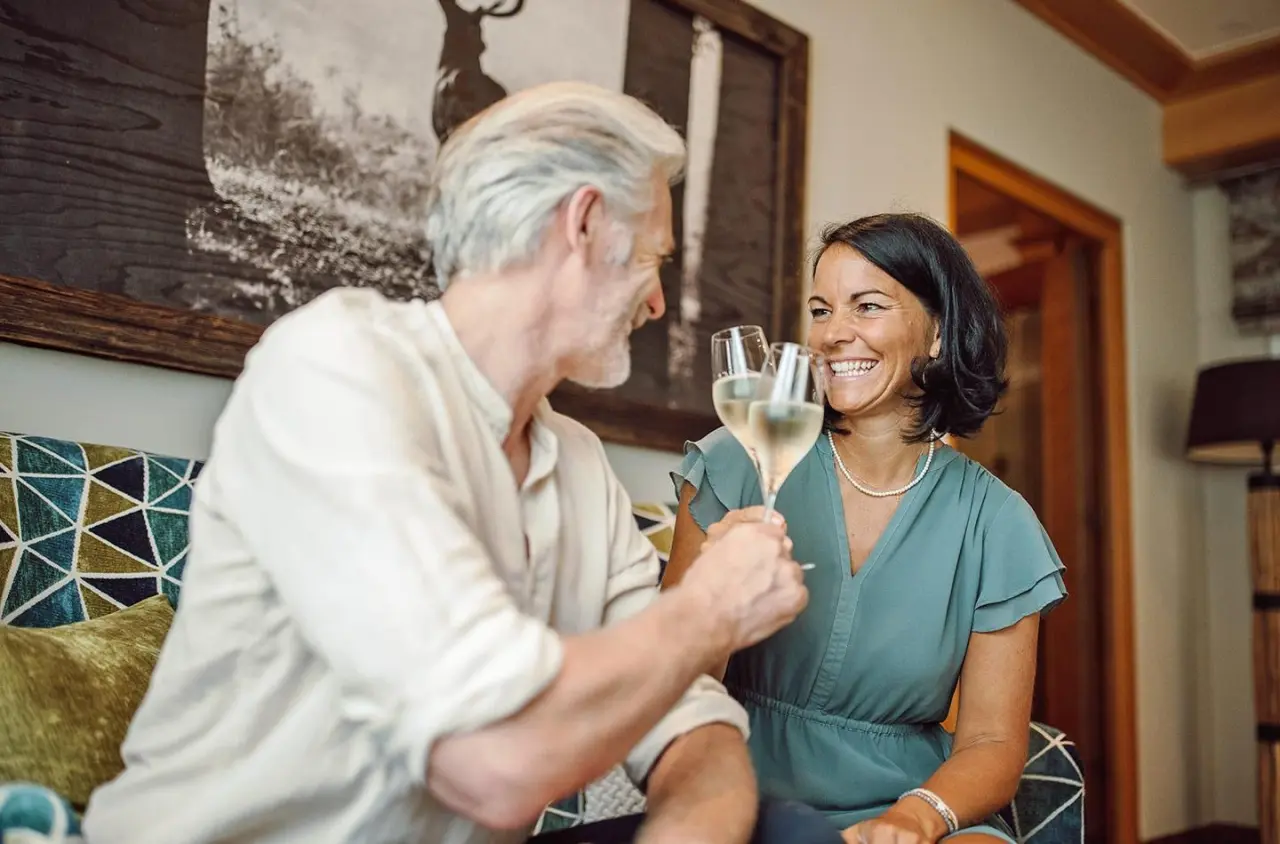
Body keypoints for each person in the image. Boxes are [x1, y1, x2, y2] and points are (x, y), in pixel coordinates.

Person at [82, 82, 825, 844]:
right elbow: (491, 765)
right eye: (651, 259)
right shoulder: (336, 369)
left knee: (787, 833)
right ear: (583, 223)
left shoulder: (578, 463)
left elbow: (690, 720)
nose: (658, 302)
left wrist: (689, 827)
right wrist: (710, 608)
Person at [662, 214, 1068, 844]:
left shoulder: (997, 522)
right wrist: (713, 604)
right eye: (821, 311)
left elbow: (991, 742)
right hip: (735, 787)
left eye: (867, 306)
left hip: (907, 802)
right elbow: (669, 680)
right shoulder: (737, 460)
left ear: (937, 333)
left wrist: (913, 818)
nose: (833, 334)